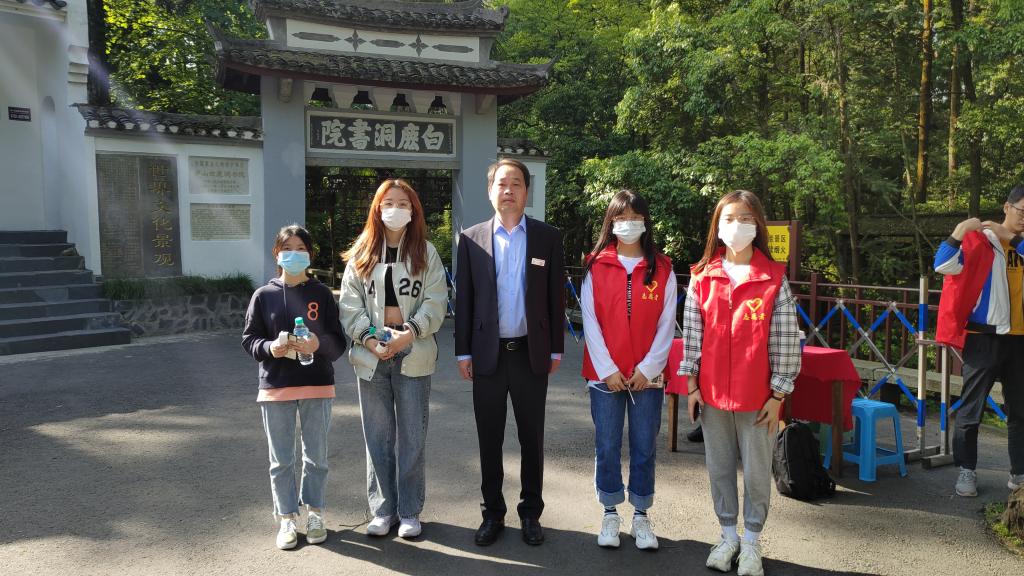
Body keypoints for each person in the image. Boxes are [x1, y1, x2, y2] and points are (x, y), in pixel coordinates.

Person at [678, 190, 800, 576]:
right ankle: (728, 536)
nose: (737, 226)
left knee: (758, 472)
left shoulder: (773, 278)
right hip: (712, 395)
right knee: (719, 468)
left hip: (759, 398)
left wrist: (778, 394)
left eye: (746, 218)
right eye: (729, 219)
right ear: (717, 226)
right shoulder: (702, 276)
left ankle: (751, 543)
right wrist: (692, 387)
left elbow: (785, 339)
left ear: (758, 225)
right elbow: (692, 337)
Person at [455, 158, 565, 546]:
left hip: (530, 353)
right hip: (487, 354)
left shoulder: (547, 237)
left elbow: (555, 295)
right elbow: (465, 299)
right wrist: (463, 352)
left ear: (526, 192)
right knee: (489, 438)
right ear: (490, 191)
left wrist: (556, 348)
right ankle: (493, 513)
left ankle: (531, 513)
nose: (508, 190)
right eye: (502, 183)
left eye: (516, 183)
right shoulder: (471, 239)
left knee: (532, 437)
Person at [339, 179, 448, 538]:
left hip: (412, 349)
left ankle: (410, 511)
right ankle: (383, 510)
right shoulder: (362, 252)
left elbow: (436, 301)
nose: (395, 209)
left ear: (413, 210)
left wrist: (409, 332)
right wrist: (369, 338)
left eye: (403, 203)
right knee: (378, 437)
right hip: (372, 353)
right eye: (388, 203)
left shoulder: (425, 253)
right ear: (377, 208)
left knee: (413, 437)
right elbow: (349, 304)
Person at [580, 190, 676, 550]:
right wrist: (607, 369)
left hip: (647, 378)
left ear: (646, 222)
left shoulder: (662, 268)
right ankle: (609, 512)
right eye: (621, 218)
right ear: (611, 223)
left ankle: (640, 515)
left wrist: (649, 368)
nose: (629, 224)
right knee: (606, 444)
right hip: (605, 375)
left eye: (636, 217)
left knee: (644, 445)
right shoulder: (596, 265)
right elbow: (590, 321)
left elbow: (667, 323)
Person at [242, 224, 347, 550]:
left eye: (301, 249)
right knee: (281, 461)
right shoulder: (264, 295)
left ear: (310, 255)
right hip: (276, 387)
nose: (294, 255)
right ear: (277, 254)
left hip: (317, 384)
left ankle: (315, 513)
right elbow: (249, 340)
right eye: (288, 249)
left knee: (316, 458)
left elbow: (338, 342)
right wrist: (270, 347)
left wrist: (317, 344)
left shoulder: (322, 294)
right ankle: (286, 517)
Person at [934, 185, 1024, 497]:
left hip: (1020, 341)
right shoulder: (981, 240)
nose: (1023, 218)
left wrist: (1011, 236)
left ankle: (1019, 473)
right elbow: (943, 264)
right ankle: (966, 470)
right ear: (1006, 207)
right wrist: (960, 230)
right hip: (983, 336)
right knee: (971, 409)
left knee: (1020, 411)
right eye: (1021, 211)